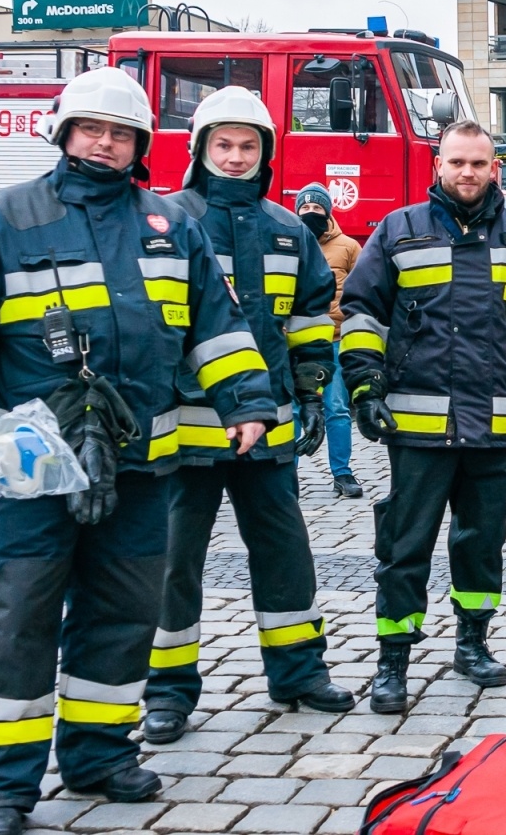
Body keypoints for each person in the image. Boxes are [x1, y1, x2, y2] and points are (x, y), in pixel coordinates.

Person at [0, 68, 276, 832]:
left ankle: (99, 753)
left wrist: (246, 401)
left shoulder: (172, 224)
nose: (106, 144)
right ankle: (0, 788)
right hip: (33, 462)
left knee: (122, 612)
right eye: (93, 130)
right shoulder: (6, 217)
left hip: (141, 453)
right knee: (19, 620)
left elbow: (215, 322)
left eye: (121, 134)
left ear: (141, 144)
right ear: (64, 132)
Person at [339, 120, 506, 712]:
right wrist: (365, 385)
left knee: (481, 542)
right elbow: (361, 312)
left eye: (478, 163)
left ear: (494, 169)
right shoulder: (398, 231)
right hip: (417, 426)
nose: (467, 172)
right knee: (404, 543)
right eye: (457, 162)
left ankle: (472, 643)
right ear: (437, 166)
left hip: (496, 427)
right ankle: (392, 659)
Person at [142, 87, 353, 745]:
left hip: (271, 432)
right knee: (175, 564)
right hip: (184, 430)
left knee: (285, 553)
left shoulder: (290, 230)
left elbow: (311, 320)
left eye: (248, 146)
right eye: (222, 145)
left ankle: (296, 671)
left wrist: (314, 390)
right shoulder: (164, 221)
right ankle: (168, 690)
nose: (235, 157)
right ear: (199, 149)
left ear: (266, 154)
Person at [295, 183, 363, 498]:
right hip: (293, 340)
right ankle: (287, 473)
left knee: (336, 407)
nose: (311, 213)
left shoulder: (348, 247)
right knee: (295, 409)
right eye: (305, 209)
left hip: (335, 337)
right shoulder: (287, 242)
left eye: (316, 208)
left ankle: (342, 473)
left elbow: (363, 288)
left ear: (328, 212)